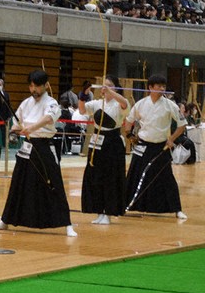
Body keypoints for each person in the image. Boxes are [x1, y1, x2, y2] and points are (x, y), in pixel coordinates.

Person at [0, 69, 77, 237]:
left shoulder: (52, 103)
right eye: (31, 86)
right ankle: (6, 220)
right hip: (27, 147)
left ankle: (67, 223)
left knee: (53, 182)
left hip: (43, 145)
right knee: (18, 183)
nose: (33, 90)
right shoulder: (26, 103)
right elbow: (16, 123)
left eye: (37, 86)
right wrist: (13, 132)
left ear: (45, 85)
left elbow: (49, 119)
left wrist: (31, 128)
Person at [122, 75, 188, 220]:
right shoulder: (141, 104)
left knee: (166, 178)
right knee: (135, 175)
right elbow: (128, 121)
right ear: (150, 88)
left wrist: (171, 139)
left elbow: (182, 125)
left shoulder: (170, 105)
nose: (162, 89)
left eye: (163, 86)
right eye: (158, 86)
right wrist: (129, 136)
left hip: (161, 146)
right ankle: (125, 206)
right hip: (143, 145)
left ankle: (177, 209)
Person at [78, 75, 129, 225]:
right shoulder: (96, 103)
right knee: (96, 176)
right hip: (97, 142)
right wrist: (83, 94)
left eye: (109, 85)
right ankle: (99, 211)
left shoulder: (119, 103)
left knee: (110, 177)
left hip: (112, 142)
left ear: (116, 88)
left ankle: (109, 212)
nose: (104, 88)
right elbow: (82, 110)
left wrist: (111, 92)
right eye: (103, 85)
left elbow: (125, 103)